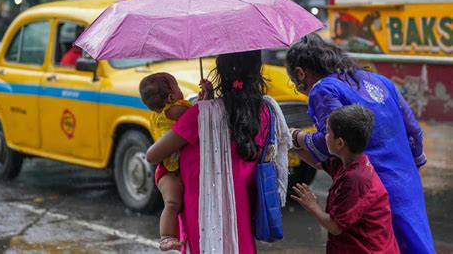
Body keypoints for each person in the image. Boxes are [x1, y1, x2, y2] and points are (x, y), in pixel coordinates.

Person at [286, 34, 434, 253]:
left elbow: (329, 143)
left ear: (300, 73)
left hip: (368, 187)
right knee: (415, 243)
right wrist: (412, 167)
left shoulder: (323, 89)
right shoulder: (380, 80)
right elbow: (414, 130)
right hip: (407, 181)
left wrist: (295, 136)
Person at [146, 50, 291, 253]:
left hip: (203, 204)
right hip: (245, 201)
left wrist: (204, 105)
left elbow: (153, 155)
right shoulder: (266, 109)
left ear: (220, 69)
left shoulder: (201, 113)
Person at [292, 104, 400, 253]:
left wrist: (312, 205)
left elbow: (335, 227)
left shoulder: (356, 180)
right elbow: (319, 164)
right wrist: (291, 145)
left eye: (328, 133)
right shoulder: (350, 161)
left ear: (340, 143)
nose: (324, 136)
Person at [139, 73, 198, 251]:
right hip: (169, 171)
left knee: (174, 204)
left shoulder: (156, 116)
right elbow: (196, 114)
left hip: (168, 168)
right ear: (172, 96)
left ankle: (170, 236)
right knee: (172, 203)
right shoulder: (174, 111)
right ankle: (166, 236)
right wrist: (205, 99)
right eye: (178, 87)